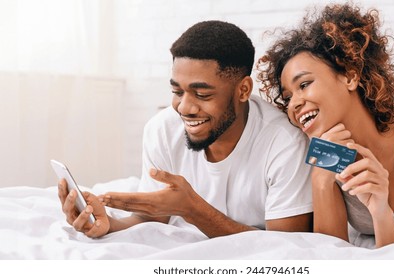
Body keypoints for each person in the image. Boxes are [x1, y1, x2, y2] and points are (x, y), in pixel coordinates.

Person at [58, 20, 313, 238]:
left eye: (202, 94)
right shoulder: (162, 129)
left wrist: (192, 209)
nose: (185, 108)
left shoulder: (284, 142)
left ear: (243, 90)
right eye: (177, 91)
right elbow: (152, 220)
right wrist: (107, 224)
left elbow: (286, 247)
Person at [257, 3, 394, 248]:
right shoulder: (324, 151)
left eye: (304, 84)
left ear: (351, 76)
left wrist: (380, 211)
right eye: (288, 97)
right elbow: (331, 252)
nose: (294, 105)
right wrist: (321, 180)